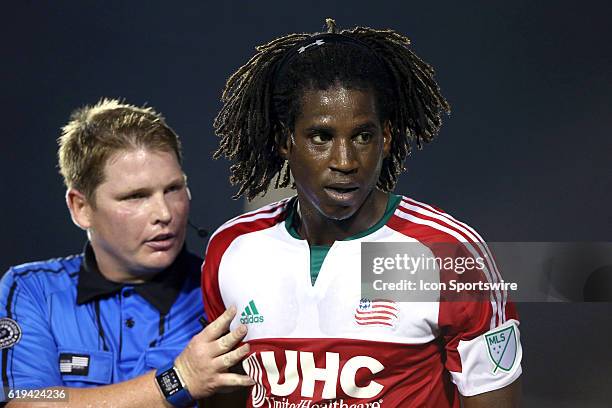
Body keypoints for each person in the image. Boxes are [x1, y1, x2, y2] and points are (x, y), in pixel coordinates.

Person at [203, 19, 522, 407]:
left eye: (362, 136)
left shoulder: (446, 255)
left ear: (386, 138)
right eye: (321, 137)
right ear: (284, 141)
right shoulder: (233, 249)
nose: (345, 161)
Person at [0, 99, 254, 407]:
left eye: (173, 189)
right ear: (81, 208)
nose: (164, 212)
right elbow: (28, 404)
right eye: (136, 196)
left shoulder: (227, 293)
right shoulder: (31, 290)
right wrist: (178, 379)